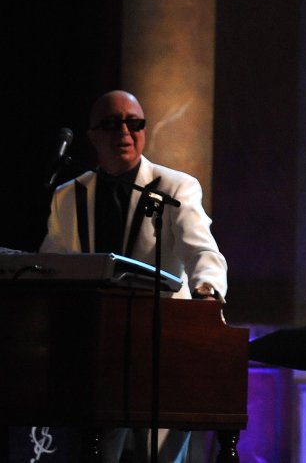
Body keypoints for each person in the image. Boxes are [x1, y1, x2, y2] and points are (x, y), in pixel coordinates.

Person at [40, 90, 228, 462]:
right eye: (110, 124)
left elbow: (203, 252)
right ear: (92, 135)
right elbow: (51, 265)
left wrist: (206, 294)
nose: (123, 132)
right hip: (96, 350)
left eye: (134, 123)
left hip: (162, 345)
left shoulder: (175, 188)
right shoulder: (68, 195)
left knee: (157, 456)